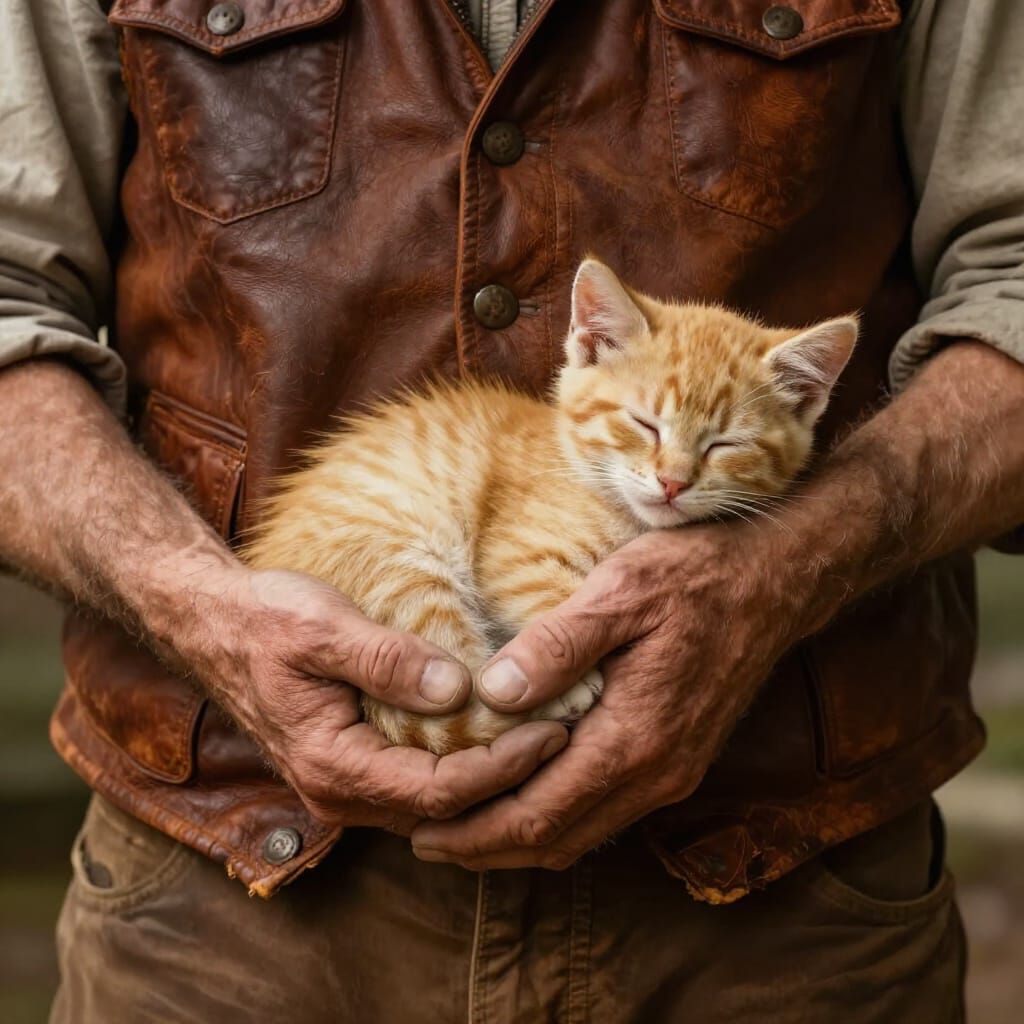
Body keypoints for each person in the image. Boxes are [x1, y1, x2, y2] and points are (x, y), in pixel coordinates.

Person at [1, 0, 1022, 1020]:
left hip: (776, 883)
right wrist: (202, 611)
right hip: (238, 872)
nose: (672, 474)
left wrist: (793, 562)